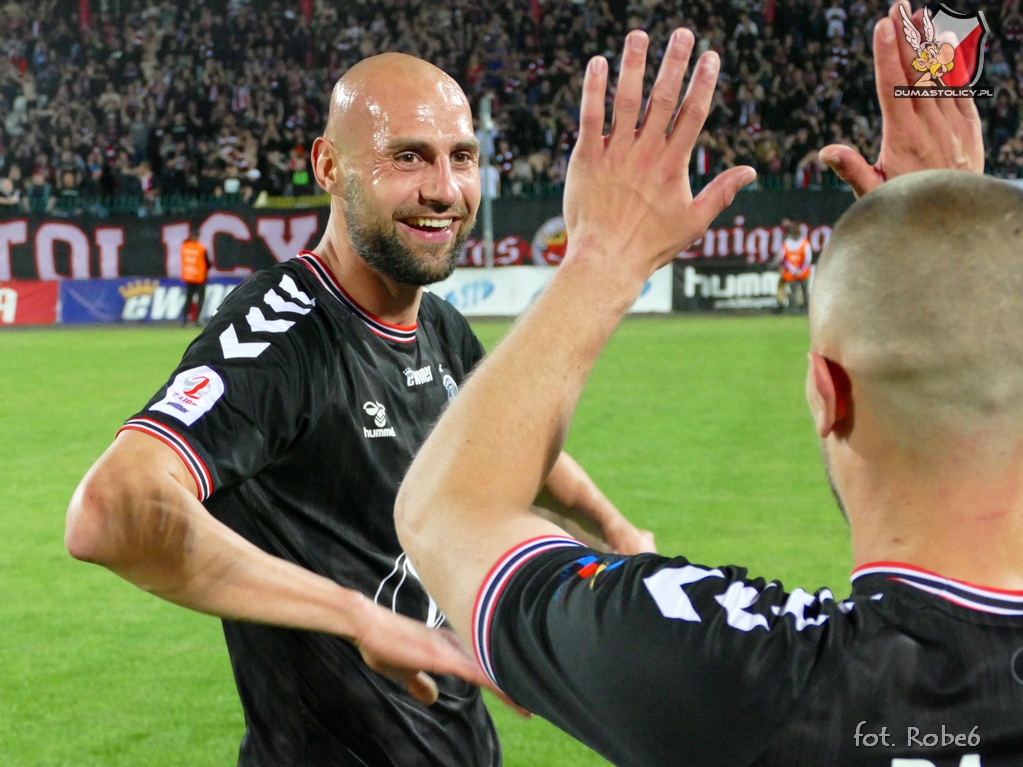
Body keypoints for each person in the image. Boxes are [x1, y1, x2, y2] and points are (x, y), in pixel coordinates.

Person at [396, 11, 1021, 767]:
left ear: (827, 395)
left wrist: (602, 255)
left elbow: (446, 510)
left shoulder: (746, 674)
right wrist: (955, 237)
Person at [65, 52, 653, 767]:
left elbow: (509, 443)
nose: (443, 190)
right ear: (328, 167)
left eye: (460, 156)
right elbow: (109, 510)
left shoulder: (437, 326)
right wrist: (355, 616)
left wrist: (610, 529)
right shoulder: (282, 335)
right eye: (407, 156)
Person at [774, 217, 813, 313]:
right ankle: (798, 310)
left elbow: (807, 259)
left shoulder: (802, 243)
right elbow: (782, 259)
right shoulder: (791, 243)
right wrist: (796, 269)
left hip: (797, 272)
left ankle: (803, 309)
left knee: (800, 292)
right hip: (797, 272)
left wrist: (795, 269)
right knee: (796, 292)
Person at [179, 226, 210, 325]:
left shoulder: (185, 247)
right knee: (200, 299)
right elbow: (208, 263)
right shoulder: (201, 248)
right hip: (200, 277)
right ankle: (196, 320)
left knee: (188, 298)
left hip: (189, 276)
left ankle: (184, 319)